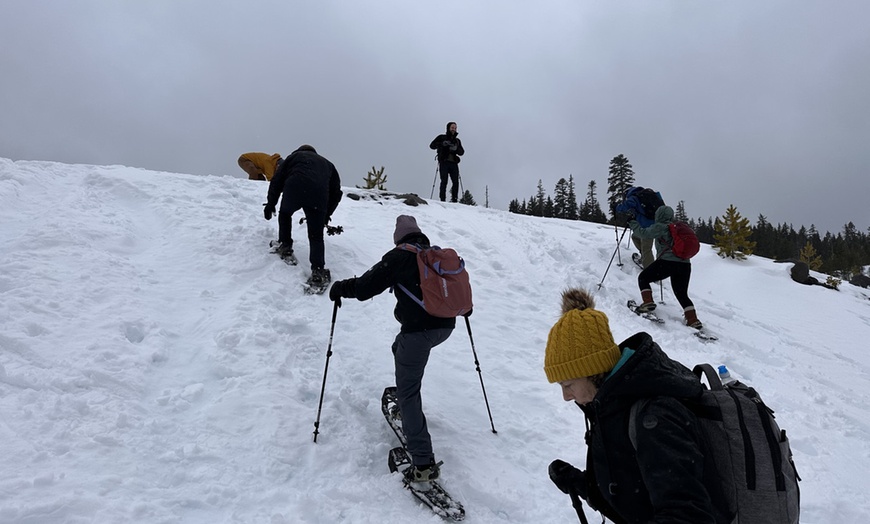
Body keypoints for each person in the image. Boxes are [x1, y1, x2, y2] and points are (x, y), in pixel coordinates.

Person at [545, 288, 729, 524]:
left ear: (591, 371)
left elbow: (688, 516)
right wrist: (582, 485)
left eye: (568, 384)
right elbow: (633, 493)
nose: (565, 396)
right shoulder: (612, 403)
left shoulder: (654, 418)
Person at [328, 215, 458, 484]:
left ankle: (423, 464)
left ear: (399, 238)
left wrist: (340, 287)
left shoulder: (398, 257)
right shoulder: (434, 256)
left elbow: (365, 287)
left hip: (419, 332)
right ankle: (406, 401)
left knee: (409, 390)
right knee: (400, 349)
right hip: (444, 328)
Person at [263, 145, 342, 284]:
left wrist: (271, 204)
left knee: (285, 214)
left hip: (295, 187)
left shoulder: (294, 157)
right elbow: (336, 192)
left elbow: (277, 180)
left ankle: (285, 245)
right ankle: (318, 271)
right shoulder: (328, 164)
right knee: (316, 236)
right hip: (318, 196)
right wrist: (326, 214)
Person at [629, 204, 703, 329]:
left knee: (643, 278)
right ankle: (692, 319)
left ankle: (648, 302)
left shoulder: (661, 226)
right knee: (682, 293)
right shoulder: (677, 227)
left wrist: (632, 222)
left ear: (659, 215)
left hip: (668, 262)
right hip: (685, 264)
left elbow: (643, 234)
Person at [615, 187, 662, 268]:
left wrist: (616, 207)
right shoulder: (647, 196)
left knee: (646, 249)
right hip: (657, 224)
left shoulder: (634, 197)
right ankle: (645, 257)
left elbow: (626, 206)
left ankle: (650, 270)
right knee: (635, 237)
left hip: (647, 227)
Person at [429, 122, 464, 203]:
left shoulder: (457, 141)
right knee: (444, 180)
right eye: (452, 127)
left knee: (455, 181)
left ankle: (455, 199)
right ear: (448, 128)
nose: (454, 129)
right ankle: (442, 200)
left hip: (454, 163)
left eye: (455, 128)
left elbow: (462, 152)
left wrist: (456, 149)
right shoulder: (441, 137)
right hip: (444, 162)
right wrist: (442, 144)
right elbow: (432, 146)